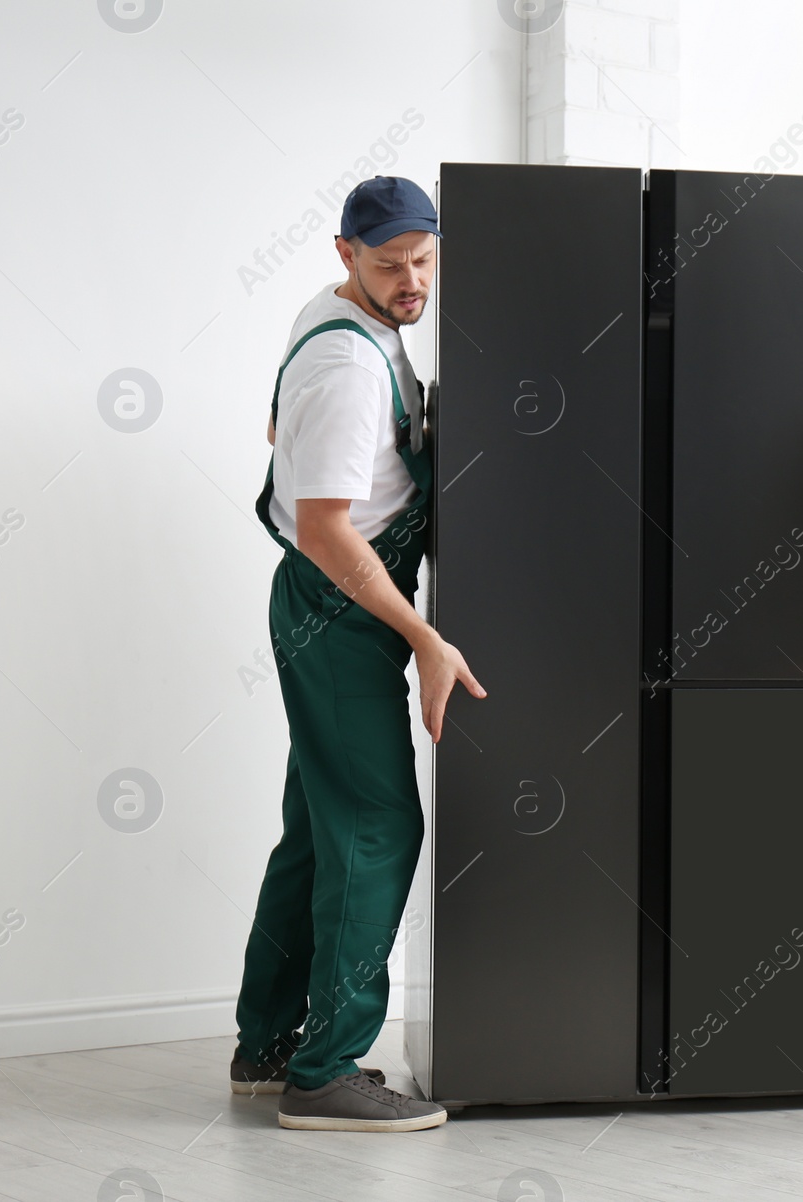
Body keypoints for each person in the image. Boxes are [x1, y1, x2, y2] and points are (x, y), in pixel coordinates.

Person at [229, 175, 487, 1132]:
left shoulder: (336, 320)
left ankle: (267, 1047)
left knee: (320, 828)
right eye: (389, 264)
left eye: (424, 259)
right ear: (346, 256)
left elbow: (273, 432)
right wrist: (423, 637)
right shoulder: (346, 370)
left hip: (333, 604)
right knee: (378, 827)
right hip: (339, 605)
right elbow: (328, 530)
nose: (412, 279)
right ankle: (327, 1073)